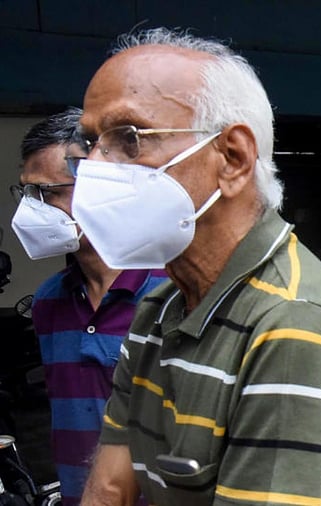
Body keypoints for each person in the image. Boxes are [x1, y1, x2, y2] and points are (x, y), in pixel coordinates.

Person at [78, 28, 321, 505]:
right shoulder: (157, 309)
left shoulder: (293, 322)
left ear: (234, 159)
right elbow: (110, 487)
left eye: (128, 138)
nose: (96, 165)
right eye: (92, 142)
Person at [10, 109, 167, 505]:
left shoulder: (174, 294)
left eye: (45, 193)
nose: (32, 209)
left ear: (102, 188)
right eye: (25, 193)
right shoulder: (49, 302)